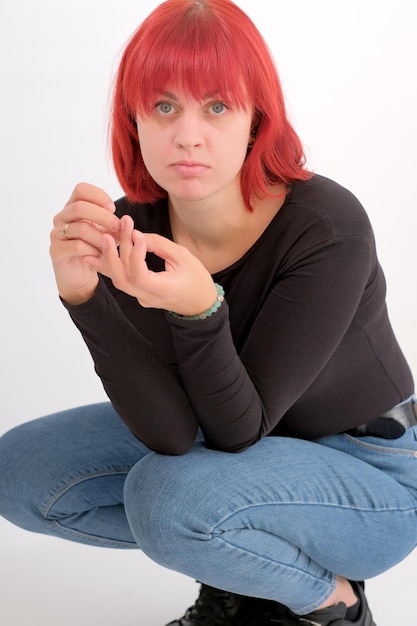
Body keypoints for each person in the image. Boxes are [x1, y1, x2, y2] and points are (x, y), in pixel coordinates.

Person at [0, 0, 416, 624]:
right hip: (223, 455)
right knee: (21, 472)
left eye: (216, 107)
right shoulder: (131, 229)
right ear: (134, 119)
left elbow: (238, 430)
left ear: (256, 120)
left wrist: (200, 311)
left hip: (370, 475)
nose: (187, 135)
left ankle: (329, 602)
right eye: (164, 107)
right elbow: (169, 434)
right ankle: (240, 571)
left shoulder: (326, 226)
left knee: (168, 499)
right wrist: (84, 297)